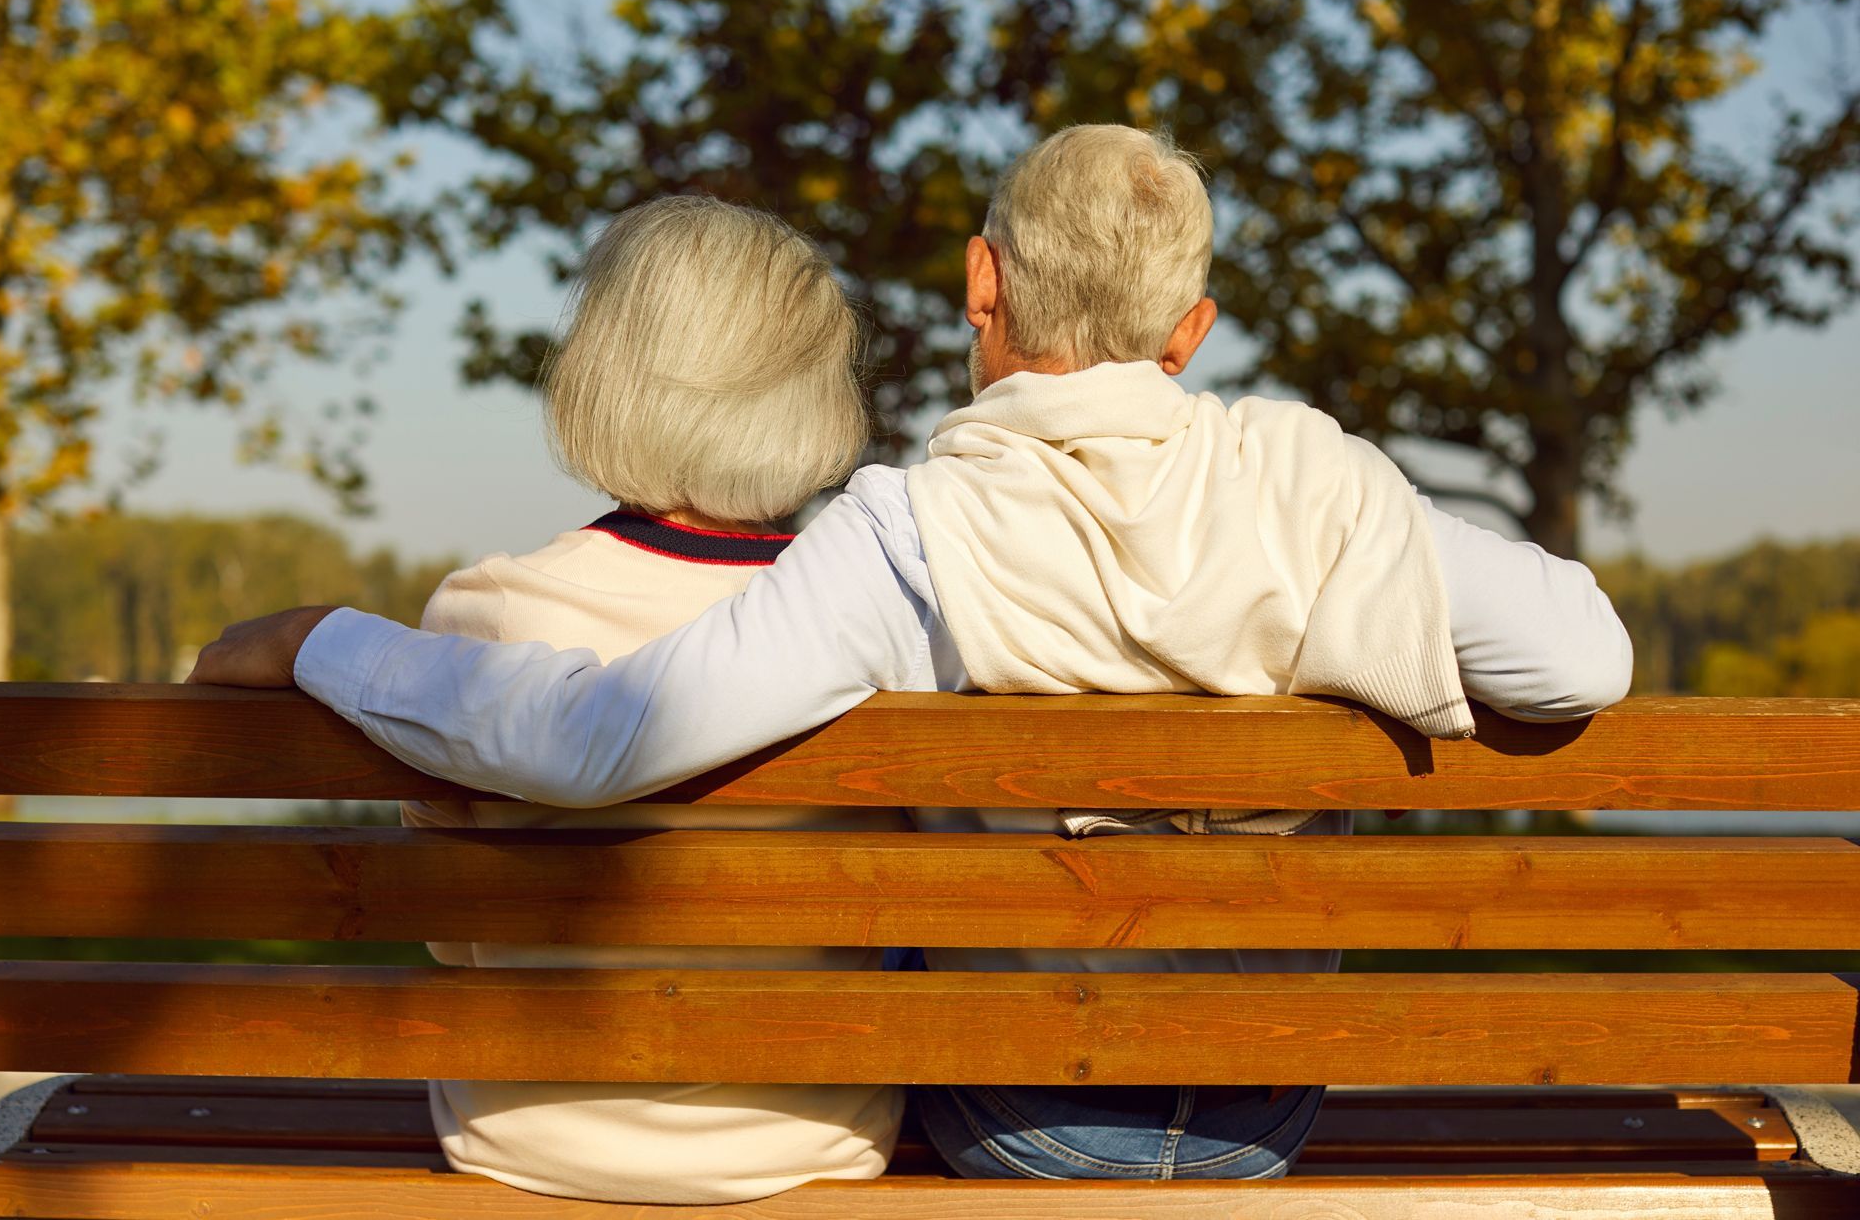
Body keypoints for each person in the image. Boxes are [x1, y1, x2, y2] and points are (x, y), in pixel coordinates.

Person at [194, 126, 1633, 1183]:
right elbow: (1582, 659)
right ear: (1192, 330)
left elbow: (600, 737)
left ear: (979, 279)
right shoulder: (1322, 485)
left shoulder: (911, 532)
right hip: (1265, 1100)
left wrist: (327, 638)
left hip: (1022, 1112)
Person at [375, 195, 905, 1204]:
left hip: (527, 1138)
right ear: (815, 392)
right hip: (809, 1143)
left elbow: (450, 935)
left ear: (602, 372)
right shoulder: (871, 631)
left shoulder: (487, 617)